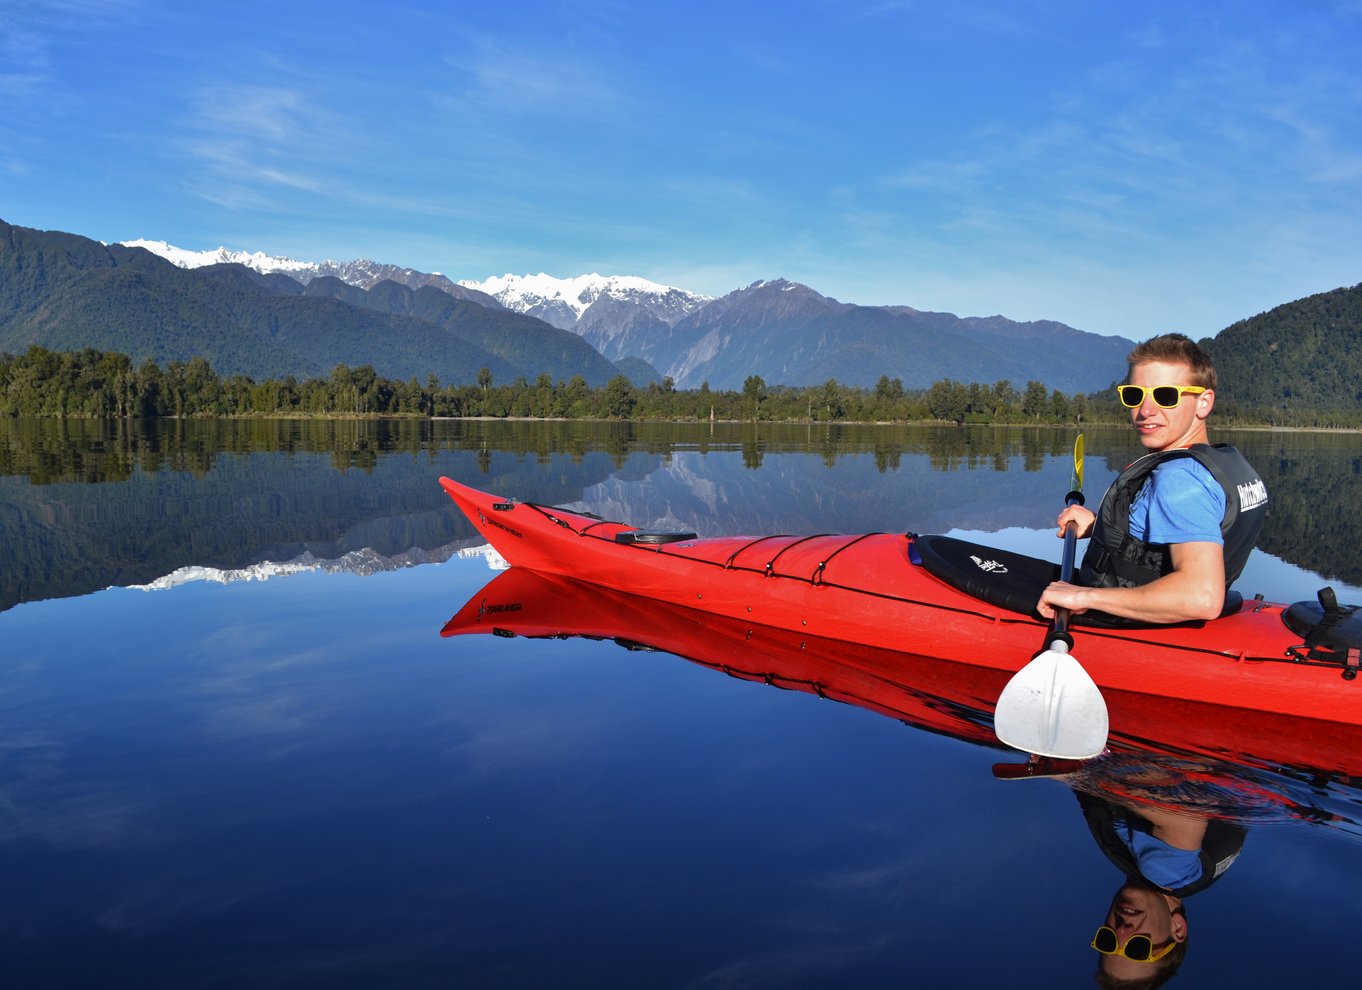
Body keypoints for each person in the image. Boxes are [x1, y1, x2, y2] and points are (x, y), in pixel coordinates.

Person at [1038, 333, 1267, 625]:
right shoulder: (1216, 464)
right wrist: (1099, 528)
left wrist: (1082, 597)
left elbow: (1201, 597)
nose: (1145, 411)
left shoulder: (1179, 481)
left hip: (1136, 626)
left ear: (1203, 402)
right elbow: (1159, 553)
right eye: (1134, 395)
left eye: (1166, 396)